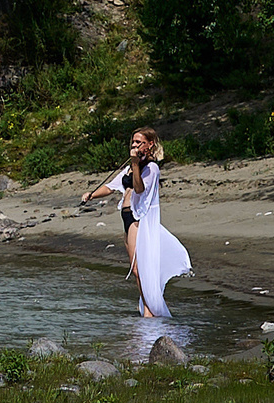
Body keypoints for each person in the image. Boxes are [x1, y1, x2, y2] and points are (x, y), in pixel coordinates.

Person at [81, 127, 192, 318]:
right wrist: (91, 195)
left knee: (138, 268)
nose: (134, 145)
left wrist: (135, 164)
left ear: (150, 145)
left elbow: (139, 189)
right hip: (125, 217)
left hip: (137, 219)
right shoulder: (128, 168)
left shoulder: (151, 168)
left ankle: (150, 310)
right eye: (133, 142)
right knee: (136, 269)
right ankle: (147, 307)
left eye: (139, 142)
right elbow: (111, 186)